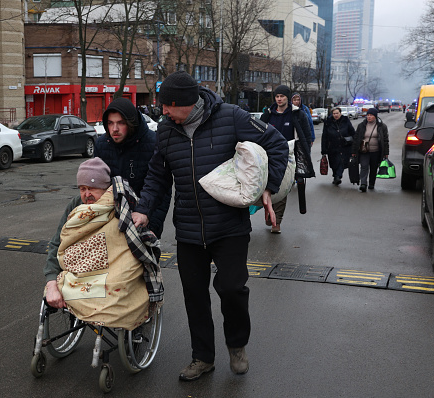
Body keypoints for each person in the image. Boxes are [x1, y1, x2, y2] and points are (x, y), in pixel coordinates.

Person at [131, 71, 289, 381]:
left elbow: (277, 144)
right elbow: (157, 176)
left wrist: (267, 187)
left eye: (167, 106)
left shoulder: (232, 117)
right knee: (194, 296)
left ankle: (237, 345)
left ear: (186, 104)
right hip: (189, 229)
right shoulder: (165, 131)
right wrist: (144, 209)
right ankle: (203, 358)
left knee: (231, 289)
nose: (162, 112)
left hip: (230, 227)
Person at [94, 97, 170, 238]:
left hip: (144, 221)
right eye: (110, 123)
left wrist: (154, 226)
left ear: (131, 123)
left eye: (120, 123)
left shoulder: (153, 143)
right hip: (110, 222)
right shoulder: (102, 145)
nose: (114, 129)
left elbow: (161, 190)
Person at [44, 157, 113, 309]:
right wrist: (51, 281)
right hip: (77, 272)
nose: (87, 194)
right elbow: (57, 242)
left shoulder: (117, 206)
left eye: (92, 188)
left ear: (105, 189)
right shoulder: (76, 205)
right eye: (82, 189)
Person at [260, 85, 315, 233]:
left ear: (287, 98)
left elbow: (306, 135)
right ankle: (269, 211)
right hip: (268, 156)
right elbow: (258, 131)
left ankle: (276, 222)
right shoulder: (268, 114)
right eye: (277, 96)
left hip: (288, 157)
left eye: (282, 96)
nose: (279, 99)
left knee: (281, 189)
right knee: (265, 187)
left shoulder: (297, 114)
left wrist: (304, 156)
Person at [352, 107, 389, 192]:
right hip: (364, 150)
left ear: (375, 116)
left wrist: (386, 153)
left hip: (376, 151)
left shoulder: (381, 126)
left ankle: (372, 183)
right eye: (368, 115)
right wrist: (353, 151)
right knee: (364, 166)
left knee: (374, 168)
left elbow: (385, 140)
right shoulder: (361, 125)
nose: (369, 117)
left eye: (371, 115)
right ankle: (363, 184)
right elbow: (356, 138)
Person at [321, 107, 356, 185]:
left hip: (344, 146)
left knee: (341, 162)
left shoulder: (346, 121)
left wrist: (353, 142)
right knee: (333, 163)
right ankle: (335, 175)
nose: (335, 115)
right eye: (334, 113)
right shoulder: (328, 122)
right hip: (332, 146)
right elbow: (324, 136)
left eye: (337, 113)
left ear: (340, 113)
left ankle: (338, 176)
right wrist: (324, 149)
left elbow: (352, 132)